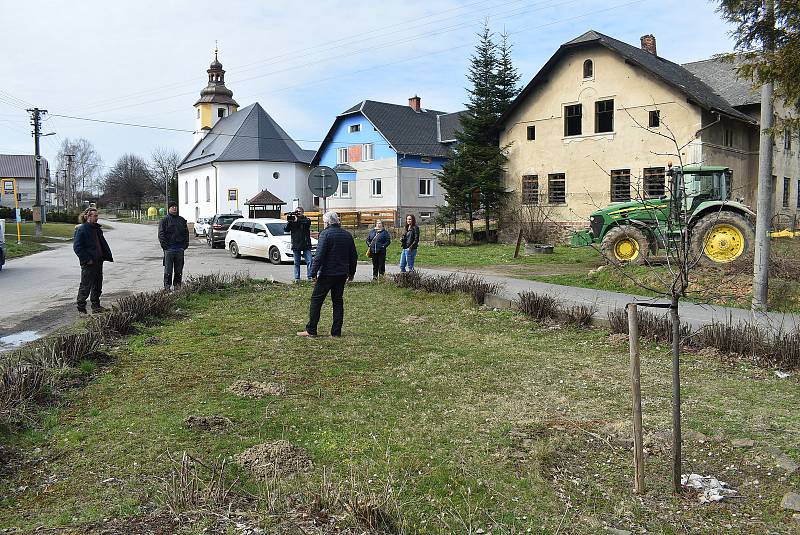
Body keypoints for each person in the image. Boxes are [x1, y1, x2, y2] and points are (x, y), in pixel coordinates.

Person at [298, 212, 358, 337]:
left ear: (327, 223)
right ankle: (336, 332)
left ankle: (311, 330)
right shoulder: (347, 235)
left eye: (324, 222)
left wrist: (313, 273)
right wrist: (351, 273)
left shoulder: (325, 234)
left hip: (327, 273)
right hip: (342, 274)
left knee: (316, 301)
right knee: (337, 302)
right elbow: (354, 256)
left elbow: (319, 256)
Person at [73, 207, 113, 314]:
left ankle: (96, 306)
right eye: (94, 216)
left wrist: (104, 256)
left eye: (97, 216)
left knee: (97, 285)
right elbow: (77, 247)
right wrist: (87, 259)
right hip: (89, 263)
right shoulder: (82, 229)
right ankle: (81, 308)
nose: (97, 218)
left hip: (98, 261)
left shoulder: (96, 229)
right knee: (86, 285)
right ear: (87, 216)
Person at [158, 201, 190, 291]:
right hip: (169, 250)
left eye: (175, 206)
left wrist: (185, 245)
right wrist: (165, 246)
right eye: (172, 207)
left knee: (178, 270)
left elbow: (186, 233)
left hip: (180, 249)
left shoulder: (181, 220)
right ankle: (167, 287)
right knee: (168, 270)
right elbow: (161, 234)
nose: (174, 208)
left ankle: (177, 286)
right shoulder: (164, 220)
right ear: (169, 209)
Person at [284, 206, 313, 282]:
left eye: (299, 212)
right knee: (296, 263)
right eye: (296, 212)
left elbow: (307, 223)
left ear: (303, 212)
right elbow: (286, 230)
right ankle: (297, 278)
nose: (297, 213)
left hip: (306, 244)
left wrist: (297, 220)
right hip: (296, 245)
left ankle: (310, 277)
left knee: (310, 261)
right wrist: (289, 222)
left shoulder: (306, 220)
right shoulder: (293, 220)